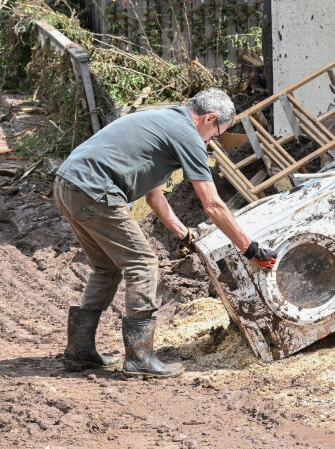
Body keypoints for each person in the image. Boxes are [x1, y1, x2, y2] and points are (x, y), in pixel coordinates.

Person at [54, 89, 277, 380]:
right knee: (143, 264)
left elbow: (154, 199)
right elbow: (212, 205)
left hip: (68, 184)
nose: (213, 140)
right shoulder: (187, 135)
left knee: (106, 268)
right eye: (217, 132)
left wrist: (184, 234)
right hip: (94, 190)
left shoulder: (163, 122)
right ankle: (140, 358)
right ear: (209, 118)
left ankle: (80, 351)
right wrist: (250, 249)